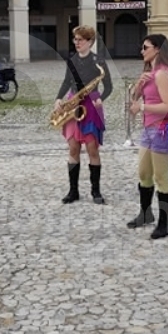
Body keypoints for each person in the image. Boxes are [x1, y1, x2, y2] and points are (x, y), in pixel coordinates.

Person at [126, 34, 168, 239]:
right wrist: (138, 86)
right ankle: (145, 213)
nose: (142, 50)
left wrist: (142, 106)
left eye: (145, 47)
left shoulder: (162, 74)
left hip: (162, 129)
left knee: (160, 176)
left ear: (157, 49)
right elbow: (134, 98)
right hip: (148, 129)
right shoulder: (150, 71)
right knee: (144, 173)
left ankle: (165, 223)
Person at [54, 25, 113, 204]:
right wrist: (58, 99)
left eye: (80, 39)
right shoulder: (72, 60)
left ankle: (96, 191)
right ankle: (73, 191)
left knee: (92, 149)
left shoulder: (99, 61)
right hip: (73, 105)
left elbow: (108, 86)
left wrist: (101, 98)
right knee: (73, 148)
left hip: (91, 105)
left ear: (90, 41)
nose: (76, 42)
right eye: (75, 39)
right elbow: (66, 82)